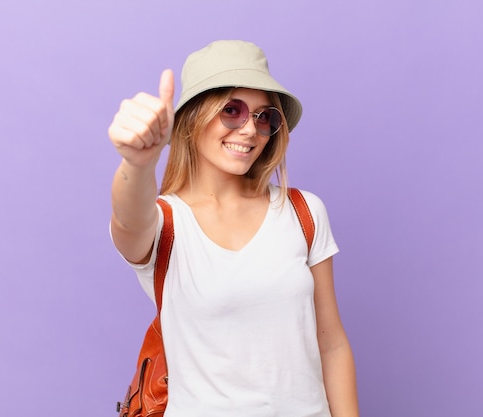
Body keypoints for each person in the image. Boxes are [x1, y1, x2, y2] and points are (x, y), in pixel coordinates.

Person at [108, 40, 359, 416]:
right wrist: (139, 163)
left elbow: (332, 342)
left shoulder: (303, 211)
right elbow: (128, 218)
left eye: (264, 116)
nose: (250, 129)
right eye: (231, 111)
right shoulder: (165, 223)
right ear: (193, 118)